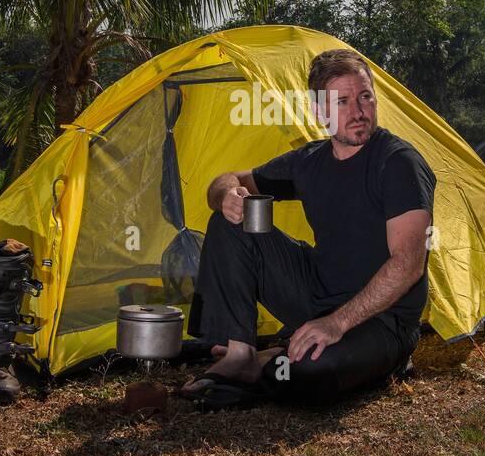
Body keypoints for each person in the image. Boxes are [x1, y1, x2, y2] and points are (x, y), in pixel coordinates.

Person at [183, 48, 435, 406]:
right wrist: (226, 194)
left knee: (310, 373)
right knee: (229, 221)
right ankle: (240, 357)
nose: (359, 112)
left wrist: (336, 323)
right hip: (316, 293)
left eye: (365, 97)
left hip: (382, 320)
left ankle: (284, 363)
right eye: (343, 102)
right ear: (320, 112)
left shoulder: (398, 163)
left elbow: (409, 264)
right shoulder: (309, 161)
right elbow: (226, 180)